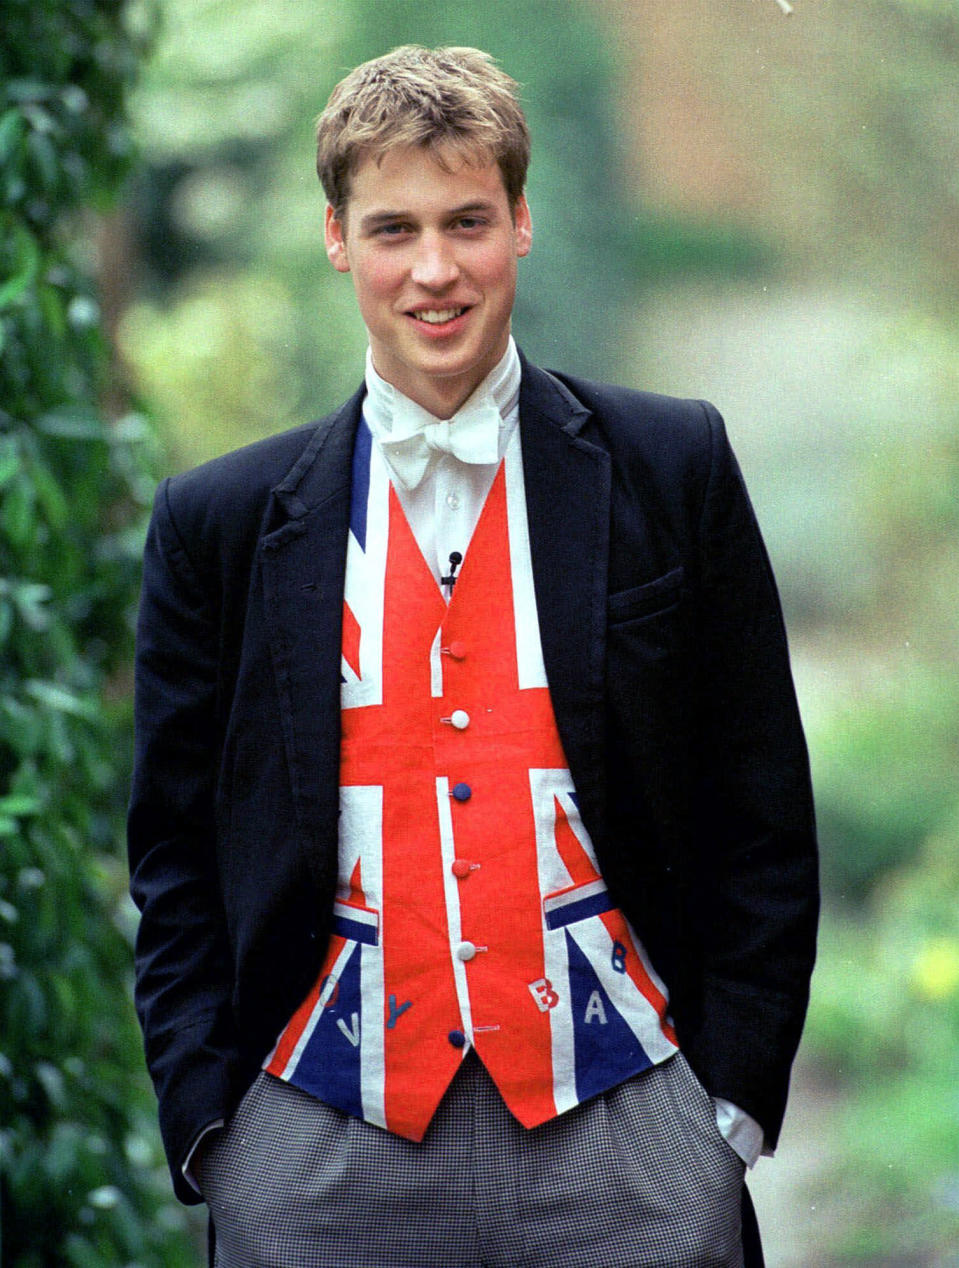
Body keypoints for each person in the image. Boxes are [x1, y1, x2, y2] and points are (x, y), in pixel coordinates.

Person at [128, 44, 818, 1268]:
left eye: (469, 222)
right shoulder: (218, 523)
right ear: (337, 237)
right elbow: (172, 850)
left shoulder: (673, 464)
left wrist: (727, 1111)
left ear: (522, 222)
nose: (434, 270)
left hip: (632, 1132)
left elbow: (762, 805)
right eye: (393, 229)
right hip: (319, 1147)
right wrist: (218, 1133)